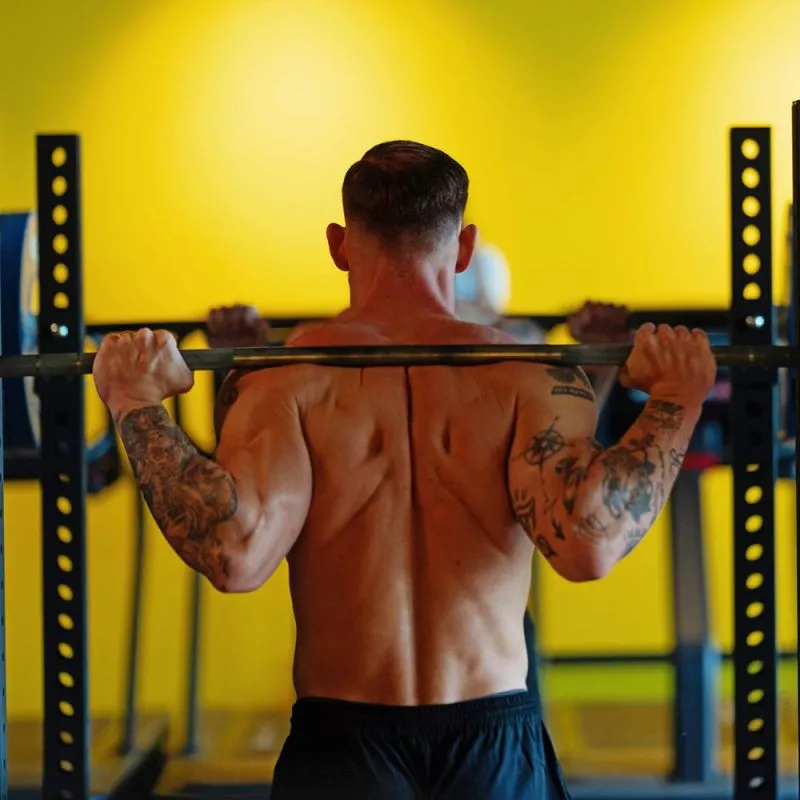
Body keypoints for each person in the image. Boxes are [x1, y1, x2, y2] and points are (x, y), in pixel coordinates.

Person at [92, 141, 716, 799]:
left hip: (343, 746)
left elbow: (234, 555)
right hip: (492, 742)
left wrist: (136, 400)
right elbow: (588, 545)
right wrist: (677, 398)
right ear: (466, 246)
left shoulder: (285, 380)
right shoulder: (527, 377)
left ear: (338, 245)